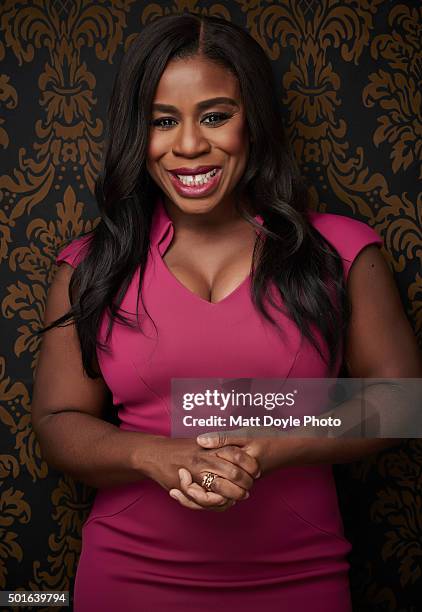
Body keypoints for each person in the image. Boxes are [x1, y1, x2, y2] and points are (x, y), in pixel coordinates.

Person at [31, 13, 422, 612]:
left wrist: (268, 446)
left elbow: (400, 401)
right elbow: (58, 422)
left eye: (215, 115)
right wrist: (154, 454)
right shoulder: (90, 267)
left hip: (301, 578)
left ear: (254, 121)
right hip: (127, 579)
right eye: (164, 121)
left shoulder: (342, 251)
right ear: (139, 133)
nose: (189, 145)